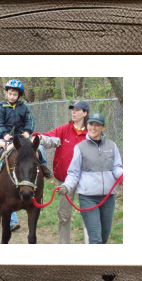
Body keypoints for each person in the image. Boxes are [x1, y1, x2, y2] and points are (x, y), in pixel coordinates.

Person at [58, 112, 123, 244]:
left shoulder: (112, 146)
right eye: (91, 124)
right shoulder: (80, 148)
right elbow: (74, 173)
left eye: (97, 125)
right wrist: (66, 186)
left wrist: (122, 174)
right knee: (95, 238)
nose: (93, 128)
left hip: (108, 198)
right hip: (88, 198)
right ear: (87, 125)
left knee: (104, 238)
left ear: (103, 128)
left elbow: (116, 167)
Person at [33, 100, 90, 244]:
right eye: (73, 109)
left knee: (89, 215)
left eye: (77, 110)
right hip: (65, 180)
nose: (74, 112)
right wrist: (39, 138)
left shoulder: (91, 132)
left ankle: (92, 246)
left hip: (87, 181)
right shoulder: (64, 130)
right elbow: (49, 138)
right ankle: (64, 247)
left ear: (85, 113)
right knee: (64, 215)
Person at [0, 79, 52, 186]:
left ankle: (44, 167)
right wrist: (4, 134)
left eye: (15, 94)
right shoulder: (2, 108)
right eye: (10, 94)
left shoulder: (24, 108)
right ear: (6, 93)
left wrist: (28, 131)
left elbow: (30, 120)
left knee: (40, 148)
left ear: (19, 95)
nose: (12, 96)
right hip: (6, 138)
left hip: (21, 138)